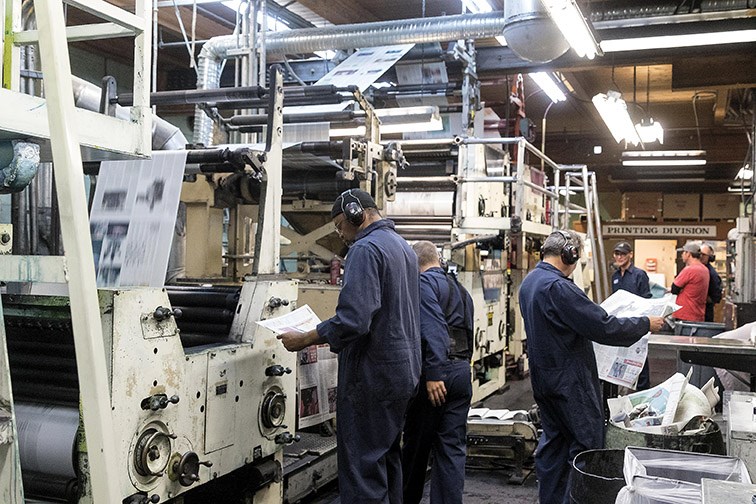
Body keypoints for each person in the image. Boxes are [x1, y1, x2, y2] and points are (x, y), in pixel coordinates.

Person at [277, 189, 421, 503]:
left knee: (362, 466)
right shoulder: (404, 248)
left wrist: (306, 337)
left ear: (357, 213)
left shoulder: (365, 249)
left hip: (374, 374)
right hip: (404, 370)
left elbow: (355, 320)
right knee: (386, 456)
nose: (340, 234)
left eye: (340, 225)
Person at [519, 230, 664, 504]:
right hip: (570, 383)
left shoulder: (530, 282)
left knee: (553, 445)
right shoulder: (559, 287)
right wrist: (645, 323)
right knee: (585, 447)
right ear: (569, 254)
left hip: (544, 379)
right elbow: (603, 326)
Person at [401, 241, 474, 504]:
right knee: (451, 449)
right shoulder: (460, 289)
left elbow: (432, 329)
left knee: (416, 448)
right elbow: (468, 333)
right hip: (461, 372)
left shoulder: (423, 284)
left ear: (414, 263)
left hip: (436, 376)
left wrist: (433, 373)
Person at [611, 241, 653, 390]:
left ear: (630, 255)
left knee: (639, 356)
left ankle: (643, 391)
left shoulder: (639, 275)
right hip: (621, 323)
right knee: (622, 356)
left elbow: (646, 298)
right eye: (617, 253)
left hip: (637, 322)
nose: (619, 257)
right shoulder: (615, 276)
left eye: (623, 254)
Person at [670, 242, 709, 322]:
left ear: (688, 254)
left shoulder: (689, 270)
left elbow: (674, 289)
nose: (682, 255)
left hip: (685, 314)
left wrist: (680, 290)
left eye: (683, 252)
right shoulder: (705, 270)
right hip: (698, 313)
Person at [700, 243, 723, 322]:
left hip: (705, 313)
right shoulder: (699, 268)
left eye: (703, 255)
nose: (700, 256)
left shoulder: (712, 274)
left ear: (710, 258)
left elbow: (716, 297)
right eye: (699, 254)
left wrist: (701, 298)